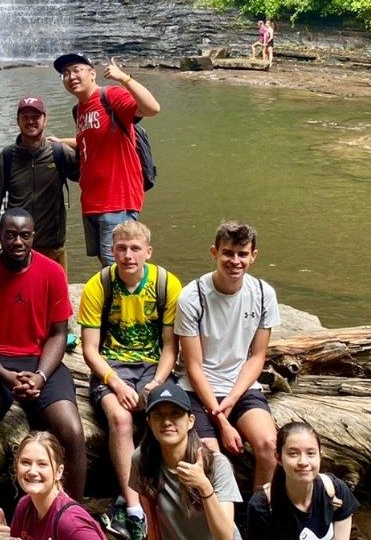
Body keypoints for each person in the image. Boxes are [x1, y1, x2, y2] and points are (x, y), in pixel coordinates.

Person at [0, 209, 86, 530]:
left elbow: (58, 333)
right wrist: (4, 375)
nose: (17, 241)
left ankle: (71, 517)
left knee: (72, 430)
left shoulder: (52, 272)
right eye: (10, 234)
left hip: (41, 363)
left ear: (33, 237)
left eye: (24, 235)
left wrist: (40, 375)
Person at [77, 220, 182, 540]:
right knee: (121, 419)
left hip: (154, 368)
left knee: (162, 416)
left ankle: (170, 491)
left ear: (148, 252)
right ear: (112, 251)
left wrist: (156, 383)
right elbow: (90, 350)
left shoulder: (167, 284)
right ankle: (134, 507)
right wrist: (117, 384)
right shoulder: (99, 285)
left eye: (135, 248)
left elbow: (170, 347)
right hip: (112, 369)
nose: (128, 255)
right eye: (121, 248)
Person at [176, 220, 279, 491]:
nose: (235, 261)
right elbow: (194, 365)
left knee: (268, 445)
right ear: (214, 253)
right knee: (213, 458)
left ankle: (260, 514)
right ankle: (220, 524)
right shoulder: (192, 296)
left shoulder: (262, 293)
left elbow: (257, 357)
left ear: (253, 256)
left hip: (240, 387)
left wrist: (231, 401)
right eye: (228, 253)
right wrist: (222, 421)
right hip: (196, 389)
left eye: (242, 254)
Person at [55, 53, 162, 268]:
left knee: (120, 267)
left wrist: (124, 78)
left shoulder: (110, 96)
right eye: (65, 73)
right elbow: (88, 139)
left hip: (117, 201)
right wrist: (58, 141)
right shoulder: (79, 110)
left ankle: (126, 302)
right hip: (91, 201)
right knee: (106, 264)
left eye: (77, 70)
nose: (71, 76)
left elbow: (152, 108)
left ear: (92, 74)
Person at [131, 380, 241, 540]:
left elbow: (225, 536)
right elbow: (152, 520)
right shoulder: (142, 459)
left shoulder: (216, 463)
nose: (167, 421)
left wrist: (204, 486)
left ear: (190, 421)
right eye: (158, 414)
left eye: (175, 413)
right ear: (149, 422)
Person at [0, 96, 77, 271]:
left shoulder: (59, 153)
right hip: (16, 247)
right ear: (17, 122)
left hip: (53, 246)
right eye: (25, 117)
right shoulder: (7, 157)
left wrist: (68, 142)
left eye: (36, 117)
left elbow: (90, 175)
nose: (31, 121)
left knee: (56, 296)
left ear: (45, 120)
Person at [246, 422, 359, 540]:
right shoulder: (262, 506)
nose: (303, 462)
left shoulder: (336, 491)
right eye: (293, 454)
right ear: (278, 458)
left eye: (310, 453)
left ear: (320, 456)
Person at [0, 432, 106, 540]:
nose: (32, 471)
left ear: (58, 472)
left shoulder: (70, 523)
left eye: (42, 464)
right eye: (25, 462)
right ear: (16, 467)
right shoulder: (24, 506)